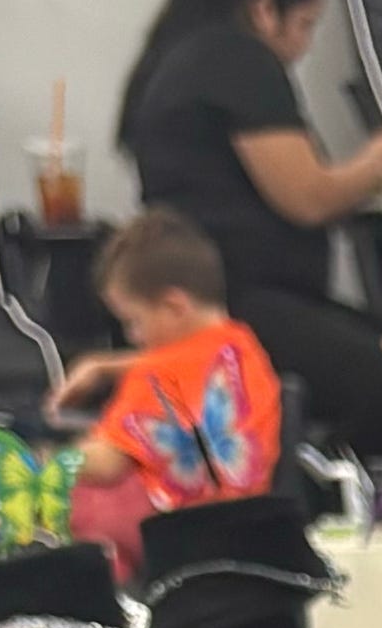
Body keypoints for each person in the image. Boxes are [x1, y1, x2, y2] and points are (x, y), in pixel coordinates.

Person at [114, 0, 382, 460]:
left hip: (228, 293)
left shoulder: (183, 58)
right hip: (242, 299)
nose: (303, 46)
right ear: (264, 10)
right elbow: (307, 197)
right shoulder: (237, 60)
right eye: (304, 25)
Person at [52, 207, 279, 576]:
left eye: (133, 321)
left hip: (175, 534)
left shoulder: (155, 377)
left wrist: (44, 458)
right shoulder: (243, 346)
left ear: (174, 306)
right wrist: (105, 366)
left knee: (78, 498)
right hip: (242, 523)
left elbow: (105, 463)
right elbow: (192, 364)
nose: (133, 337)